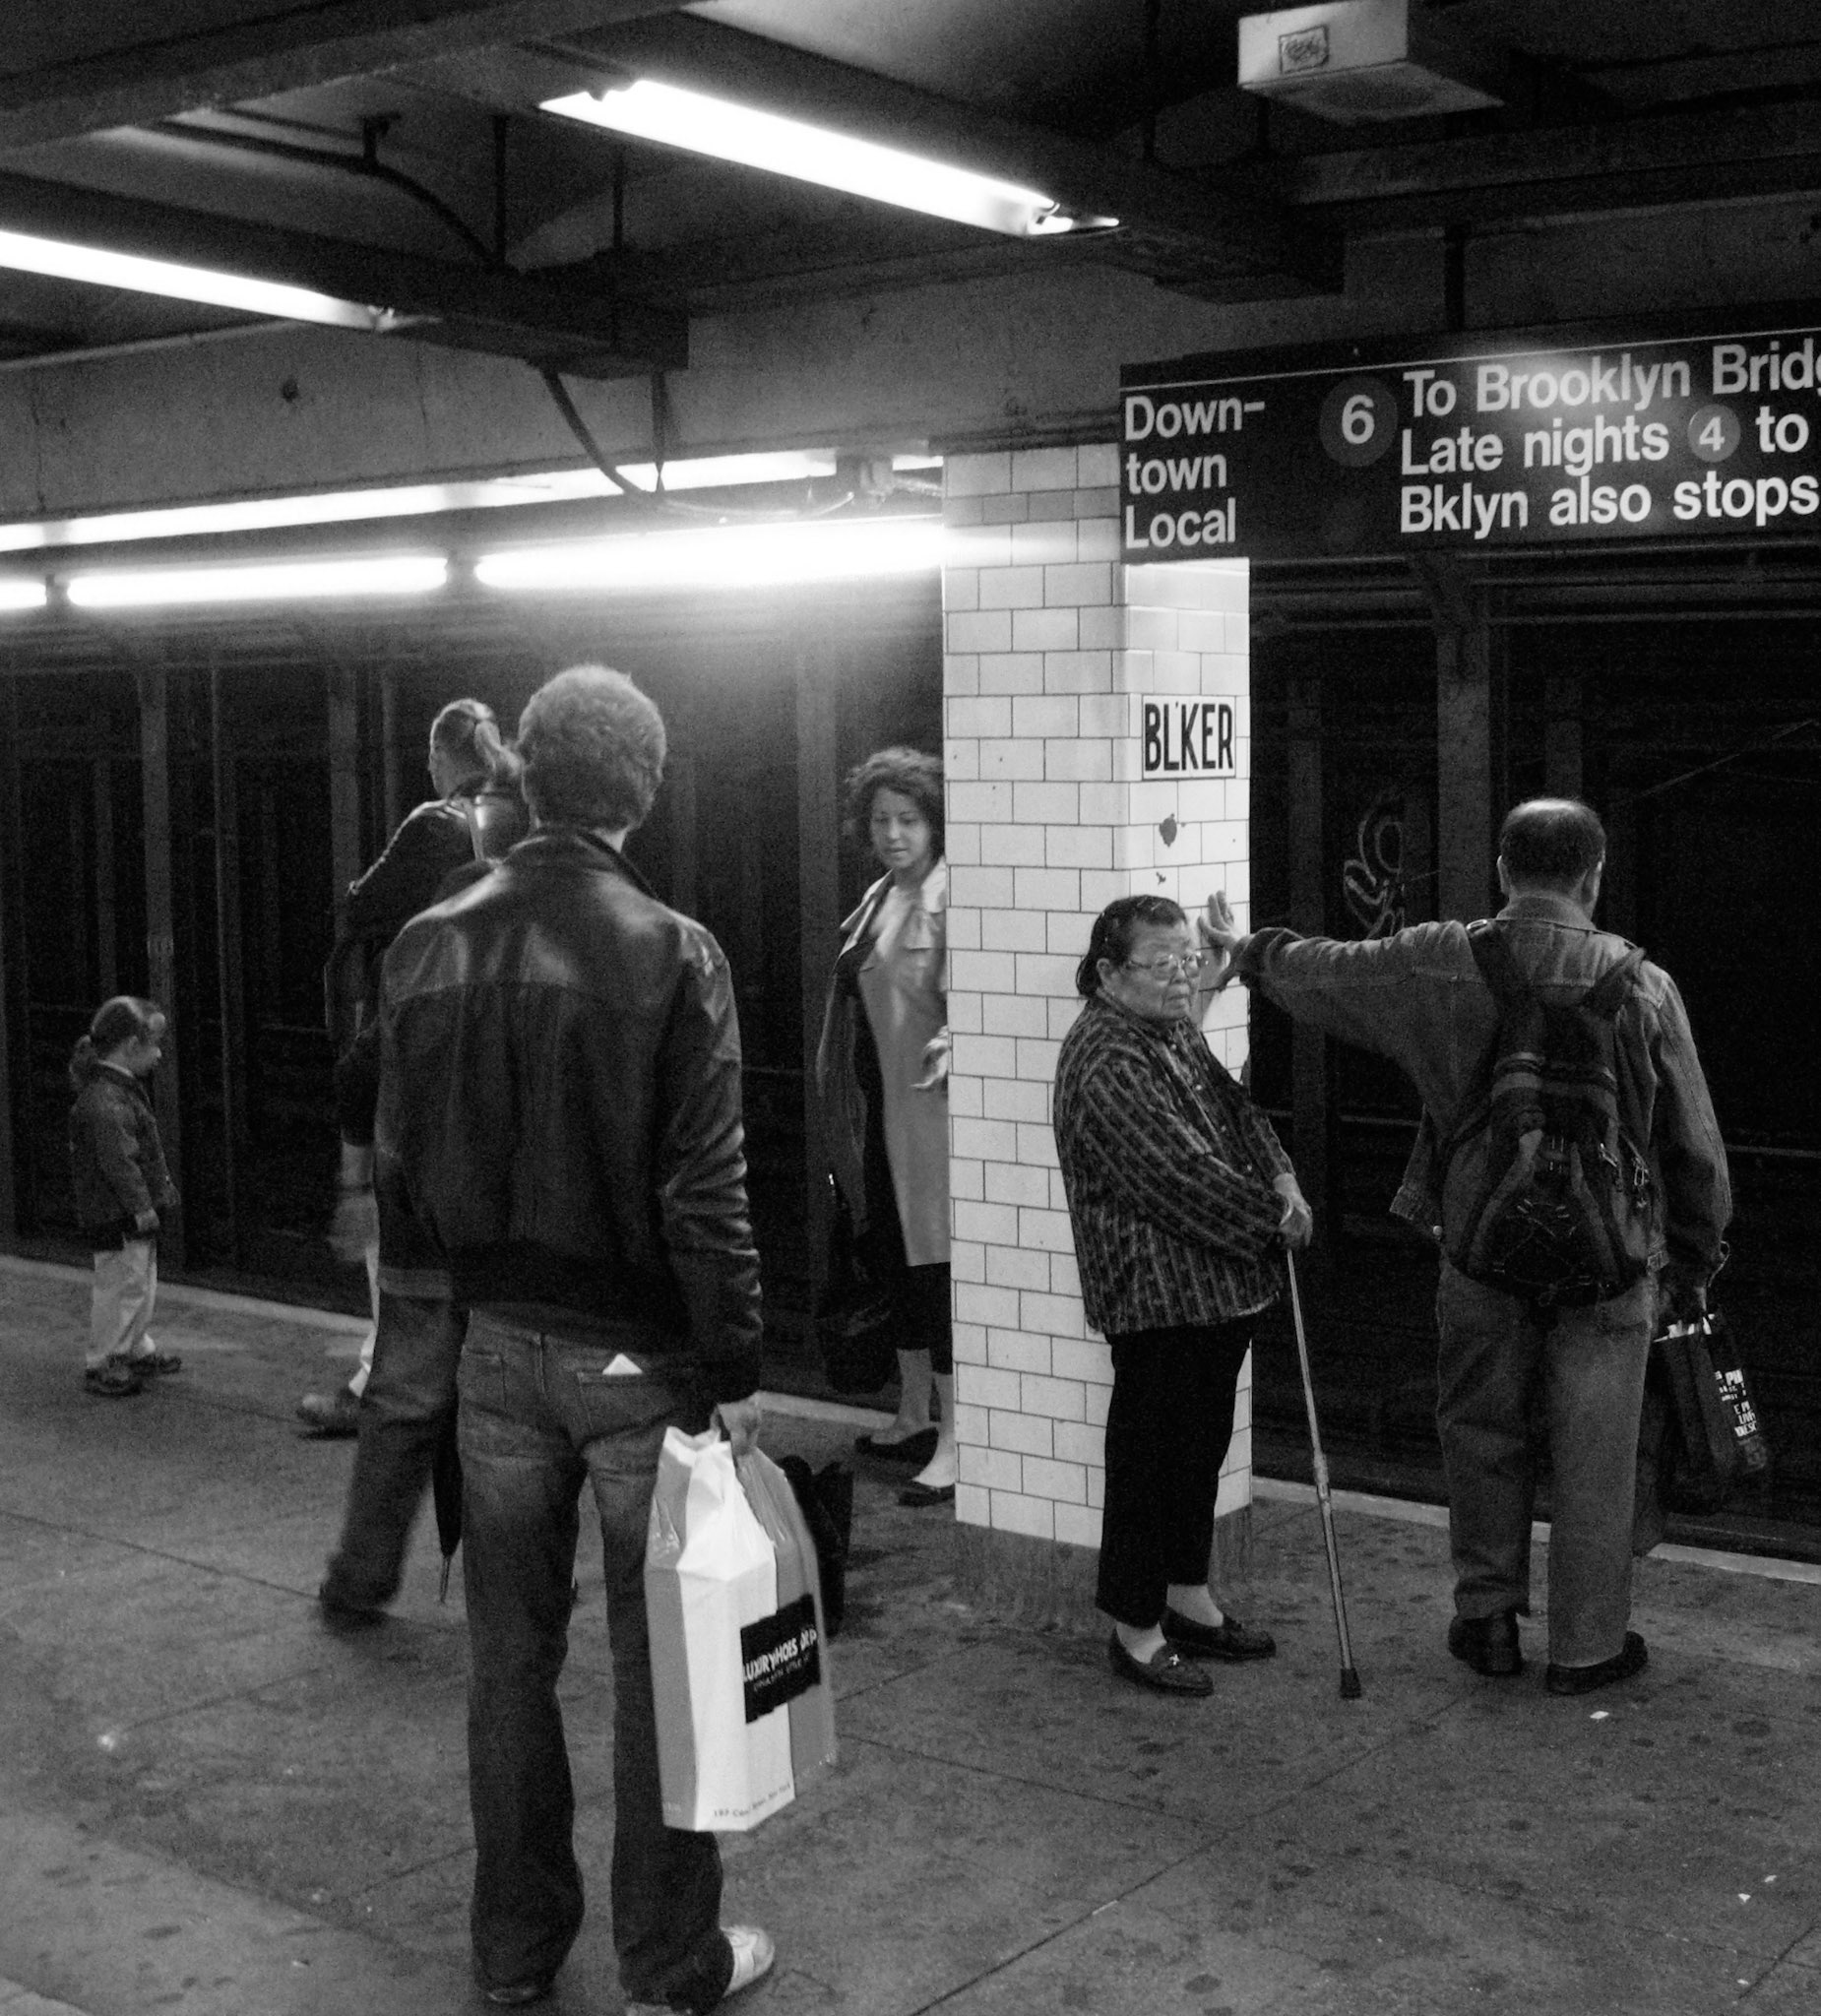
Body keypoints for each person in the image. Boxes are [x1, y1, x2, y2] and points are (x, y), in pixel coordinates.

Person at [373, 663, 773, 2013]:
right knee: (665, 1667)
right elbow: (705, 1194)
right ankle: (667, 1960)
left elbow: (402, 1161)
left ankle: (512, 1952)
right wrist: (733, 1366)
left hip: (493, 1347)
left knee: (507, 1665)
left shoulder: (427, 940)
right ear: (641, 791)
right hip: (636, 1364)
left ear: (526, 775)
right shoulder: (672, 950)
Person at [1203, 797, 1731, 1697]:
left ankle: (1487, 1621)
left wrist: (1252, 952)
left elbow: (1328, 975)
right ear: (1594, 876)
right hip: (1610, 1271)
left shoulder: (1444, 958)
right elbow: (1696, 1151)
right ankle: (1586, 1649)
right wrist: (1692, 1261)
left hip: (1481, 1250)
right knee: (1597, 1455)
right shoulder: (1643, 985)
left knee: (1481, 1429)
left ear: (1502, 871)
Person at [1052, 897, 1310, 1698]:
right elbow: (1178, 1177)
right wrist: (1273, 1220)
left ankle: (1187, 1595)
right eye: (1161, 965)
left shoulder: (1169, 1029)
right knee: (1148, 1463)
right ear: (1109, 972)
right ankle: (1136, 1628)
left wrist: (1282, 1174)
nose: (1180, 978)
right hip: (1156, 1297)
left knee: (1197, 1453)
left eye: (1187, 962)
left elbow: (1235, 1108)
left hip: (1216, 1292)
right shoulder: (1106, 1058)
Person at [301, 698, 527, 1437]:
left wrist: (351, 1181)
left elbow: (361, 904)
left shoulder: (436, 823)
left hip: (423, 1059)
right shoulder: (523, 821)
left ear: (439, 757)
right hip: (504, 1046)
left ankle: (382, 1384)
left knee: (394, 1232)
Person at [817, 746, 955, 1507]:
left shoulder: (949, 896)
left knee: (934, 1274)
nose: (894, 834)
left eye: (908, 820)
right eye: (880, 820)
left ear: (934, 825)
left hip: (931, 1120)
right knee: (895, 1262)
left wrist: (956, 1039)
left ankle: (957, 1438)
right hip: (879, 1113)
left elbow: (972, 1002)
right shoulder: (879, 896)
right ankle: (913, 1412)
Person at [67, 996, 182, 1398]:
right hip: (118, 1215)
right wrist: (142, 1206)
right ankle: (105, 1358)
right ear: (131, 1046)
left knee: (138, 1282)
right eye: (155, 1045)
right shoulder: (107, 1100)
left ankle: (133, 1345)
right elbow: (120, 1163)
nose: (160, 1053)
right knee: (120, 1286)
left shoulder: (117, 1090)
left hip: (127, 1213)